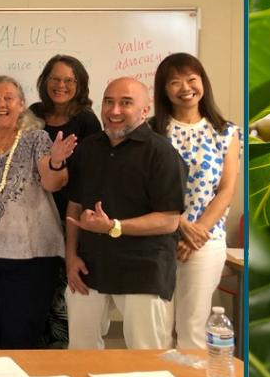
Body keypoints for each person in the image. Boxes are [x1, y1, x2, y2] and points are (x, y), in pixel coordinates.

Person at [64, 77, 187, 350]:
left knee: (146, 358)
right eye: (109, 101)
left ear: (145, 110)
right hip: (88, 266)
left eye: (126, 103)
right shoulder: (87, 148)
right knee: (80, 353)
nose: (114, 110)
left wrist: (113, 226)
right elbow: (74, 207)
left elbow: (168, 221)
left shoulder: (162, 153)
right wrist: (70, 256)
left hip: (143, 269)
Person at [0, 77, 76, 349]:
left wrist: (57, 162)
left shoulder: (37, 139)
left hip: (31, 257)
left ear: (21, 105)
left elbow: (52, 183)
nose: (1, 104)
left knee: (21, 337)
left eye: (8, 98)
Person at [151, 53, 242, 351]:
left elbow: (226, 190)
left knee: (193, 328)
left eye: (191, 79)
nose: (185, 87)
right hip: (156, 239)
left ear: (203, 82)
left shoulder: (227, 132)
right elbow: (140, 188)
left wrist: (196, 234)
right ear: (164, 90)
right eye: (174, 82)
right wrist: (179, 225)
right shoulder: (151, 131)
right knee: (156, 331)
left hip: (206, 240)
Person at [28, 54, 101, 347]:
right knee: (35, 289)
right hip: (32, 214)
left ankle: (60, 355)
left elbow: (91, 174)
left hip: (67, 215)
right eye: (54, 79)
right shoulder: (32, 114)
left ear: (79, 84)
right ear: (45, 81)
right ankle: (36, 351)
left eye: (68, 80)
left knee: (63, 293)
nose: (60, 85)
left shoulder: (87, 121)